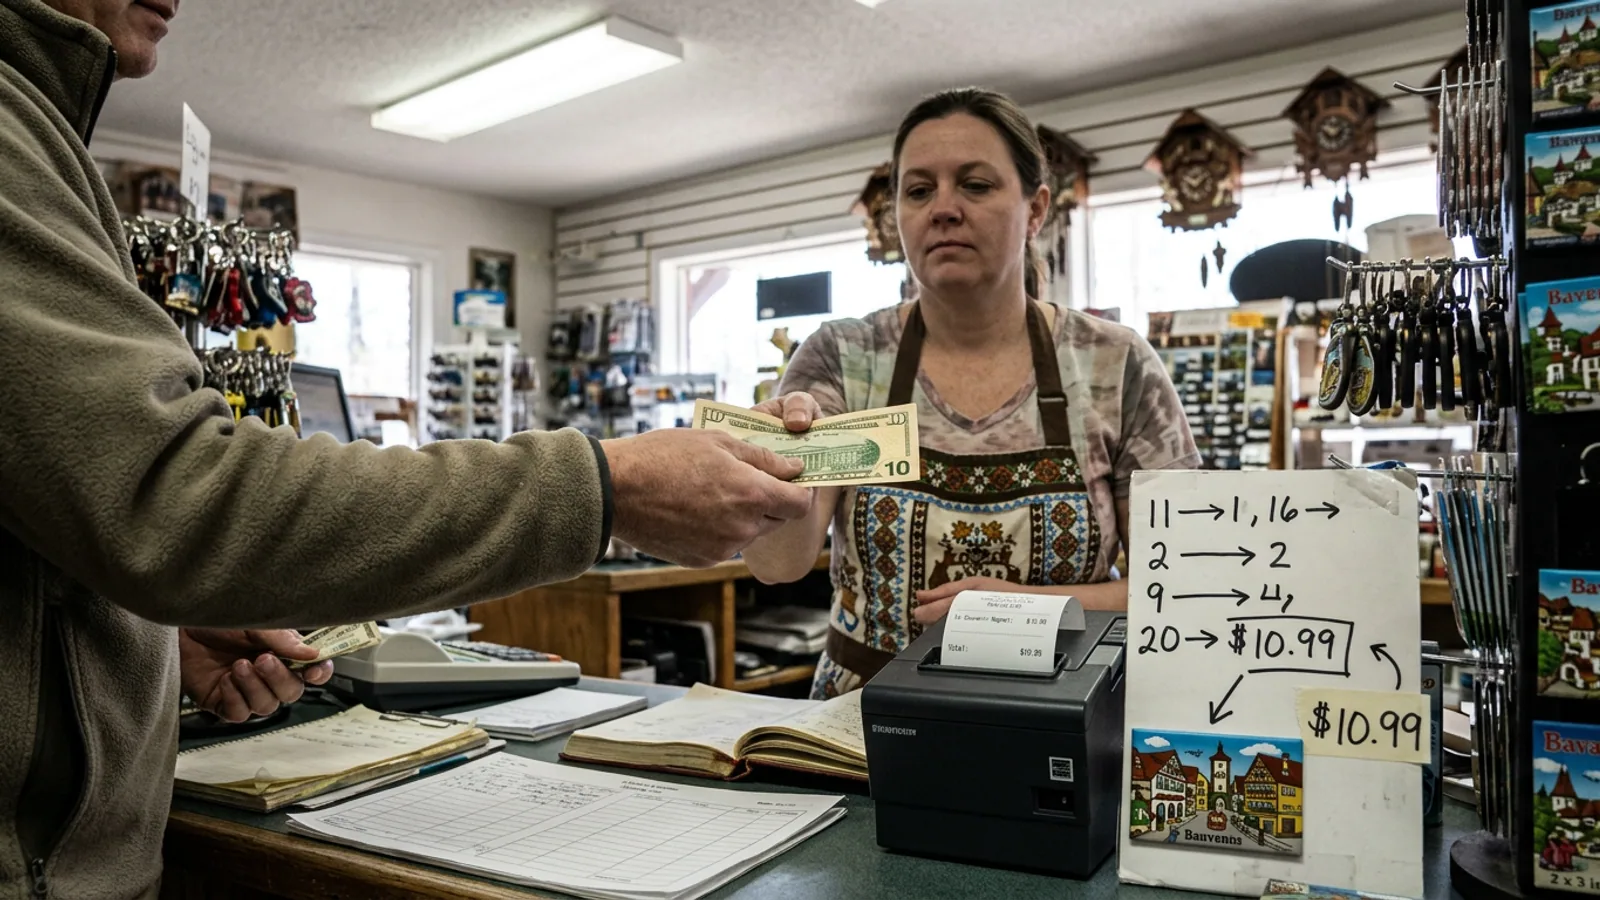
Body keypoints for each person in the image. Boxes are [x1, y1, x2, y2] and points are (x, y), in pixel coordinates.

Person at [0, 2, 810, 897]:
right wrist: (604, 485)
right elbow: (171, 496)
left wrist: (148, 637)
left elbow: (72, 502)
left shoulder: (38, 128)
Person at [741, 88, 1198, 700]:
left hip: (1062, 713)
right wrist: (768, 464)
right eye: (919, 190)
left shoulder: (1115, 364)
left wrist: (1029, 609)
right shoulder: (843, 359)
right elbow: (778, 564)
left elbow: (1179, 589)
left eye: (976, 185)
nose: (944, 209)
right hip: (861, 724)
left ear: (1036, 209)